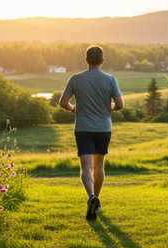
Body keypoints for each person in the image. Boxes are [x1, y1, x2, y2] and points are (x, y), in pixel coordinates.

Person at [59, 45, 123, 221]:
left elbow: (63, 102)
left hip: (83, 128)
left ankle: (90, 197)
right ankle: (96, 199)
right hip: (104, 128)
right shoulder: (110, 79)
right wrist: (109, 107)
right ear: (102, 61)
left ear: (86, 60)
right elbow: (120, 105)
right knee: (99, 165)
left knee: (86, 166)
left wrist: (73, 109)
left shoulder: (76, 79)